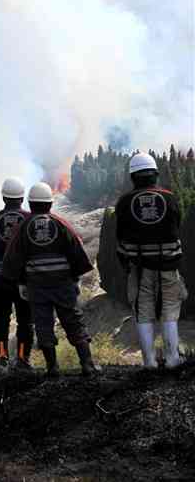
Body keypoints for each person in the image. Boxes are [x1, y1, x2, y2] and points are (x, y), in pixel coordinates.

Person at [2, 183, 100, 378]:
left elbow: (14, 257)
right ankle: (88, 366)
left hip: (37, 286)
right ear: (50, 203)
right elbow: (76, 251)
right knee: (73, 322)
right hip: (63, 284)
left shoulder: (23, 228)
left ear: (30, 203)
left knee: (43, 324)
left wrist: (21, 282)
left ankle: (52, 368)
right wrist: (75, 278)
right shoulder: (61, 224)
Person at [115, 153, 186, 369]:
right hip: (168, 265)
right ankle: (173, 358)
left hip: (140, 267)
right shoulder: (170, 198)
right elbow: (177, 225)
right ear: (155, 174)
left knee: (143, 310)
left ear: (133, 176)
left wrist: (126, 264)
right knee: (169, 310)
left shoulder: (125, 202)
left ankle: (149, 361)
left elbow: (121, 237)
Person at [0, 178, 33, 370]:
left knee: (1, 320)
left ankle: (2, 358)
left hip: (1, 279)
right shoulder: (30, 219)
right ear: (22, 197)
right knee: (25, 322)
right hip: (24, 279)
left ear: (3, 196)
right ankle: (22, 359)